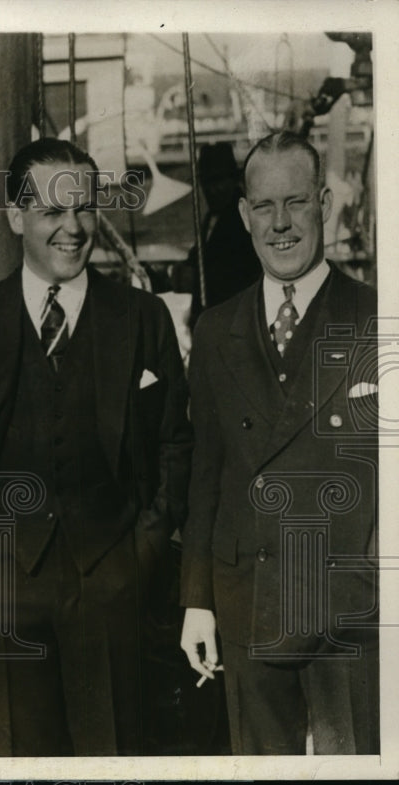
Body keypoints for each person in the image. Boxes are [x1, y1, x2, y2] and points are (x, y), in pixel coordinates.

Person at [0, 137, 193, 755]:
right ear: (15, 217)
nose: (73, 229)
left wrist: (141, 555)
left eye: (83, 209)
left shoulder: (141, 317)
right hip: (1, 591)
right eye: (52, 212)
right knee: (15, 758)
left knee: (115, 755)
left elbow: (175, 445)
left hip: (111, 585)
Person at [180, 131, 379, 754]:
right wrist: (197, 604)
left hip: (352, 615)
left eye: (296, 202)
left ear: (324, 202)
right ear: (243, 215)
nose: (281, 223)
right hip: (248, 609)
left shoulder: (379, 319)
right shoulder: (216, 332)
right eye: (264, 207)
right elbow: (204, 480)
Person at [181, 142, 263, 324]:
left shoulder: (245, 220)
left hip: (233, 323)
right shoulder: (212, 217)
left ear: (234, 180)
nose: (211, 189)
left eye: (218, 181)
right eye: (206, 182)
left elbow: (241, 275)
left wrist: (194, 276)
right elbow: (199, 258)